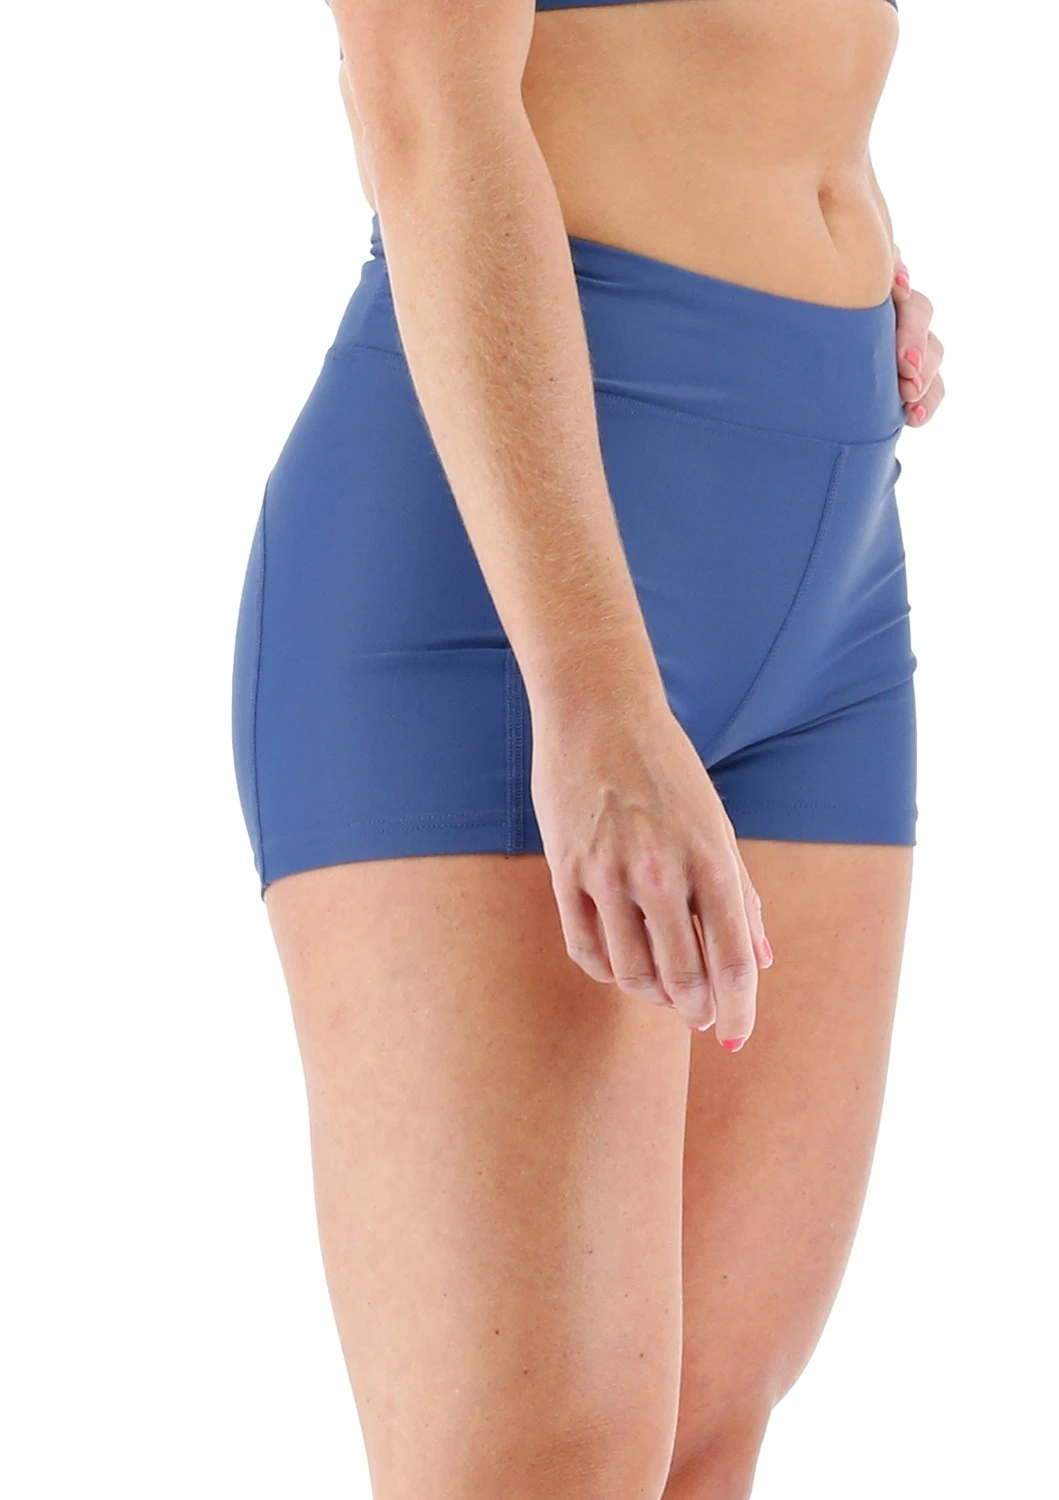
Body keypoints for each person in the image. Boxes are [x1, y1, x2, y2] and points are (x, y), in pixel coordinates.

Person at [231, 0, 944, 1494]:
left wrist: (824, 234)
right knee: (536, 1462)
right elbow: (424, 106)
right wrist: (597, 691)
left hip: (828, 569)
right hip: (511, 594)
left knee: (700, 1432)